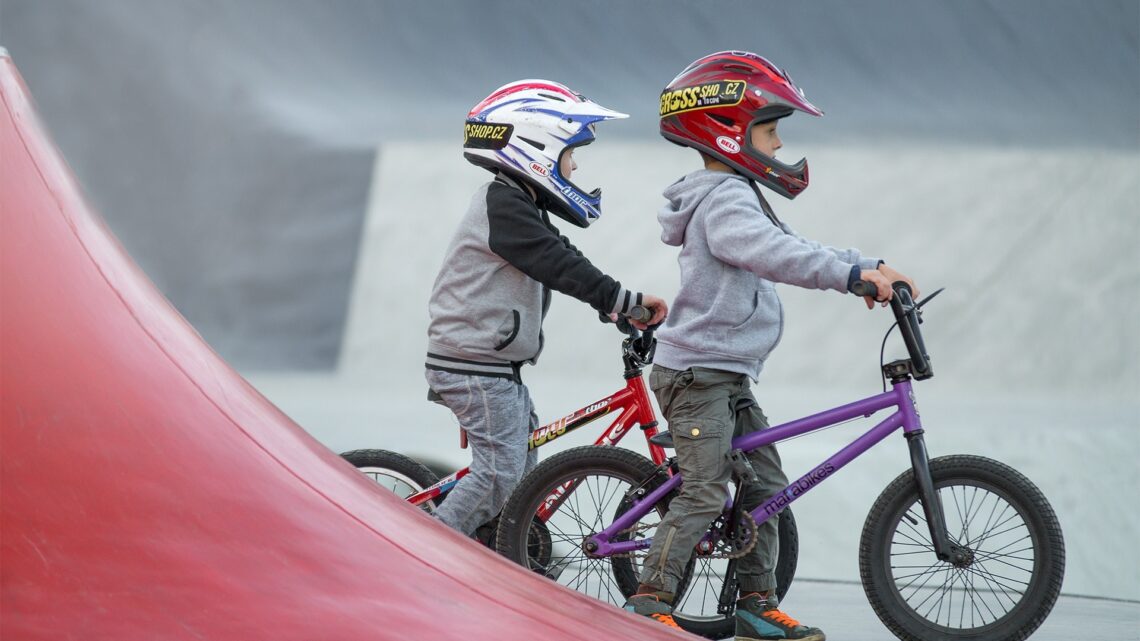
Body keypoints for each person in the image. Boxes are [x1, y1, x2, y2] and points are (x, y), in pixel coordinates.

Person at [621, 52, 918, 641]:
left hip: (725, 372)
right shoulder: (723, 199)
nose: (780, 144)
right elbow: (775, 255)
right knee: (706, 489)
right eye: (771, 129)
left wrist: (862, 264)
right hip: (697, 375)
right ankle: (649, 598)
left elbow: (795, 242)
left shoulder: (736, 194)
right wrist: (849, 278)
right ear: (727, 131)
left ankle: (756, 604)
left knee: (765, 489)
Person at [424, 80, 668, 539]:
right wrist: (624, 301)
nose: (574, 167)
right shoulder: (503, 204)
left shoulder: (518, 203)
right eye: (569, 154)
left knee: (519, 478)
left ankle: (498, 549)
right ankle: (424, 550)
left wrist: (618, 307)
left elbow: (562, 254)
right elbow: (557, 264)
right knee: (498, 476)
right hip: (472, 367)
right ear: (535, 148)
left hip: (494, 367)